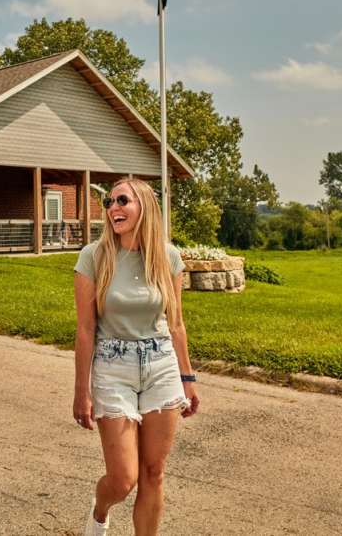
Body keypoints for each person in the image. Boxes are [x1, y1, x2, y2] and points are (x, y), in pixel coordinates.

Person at [73, 177, 199, 536]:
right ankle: (99, 511)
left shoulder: (168, 257)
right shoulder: (93, 257)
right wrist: (82, 391)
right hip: (113, 368)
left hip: (161, 365)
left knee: (154, 473)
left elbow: (175, 323)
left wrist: (187, 379)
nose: (113, 208)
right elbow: (85, 331)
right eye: (109, 203)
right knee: (123, 478)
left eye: (122, 201)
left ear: (144, 206)